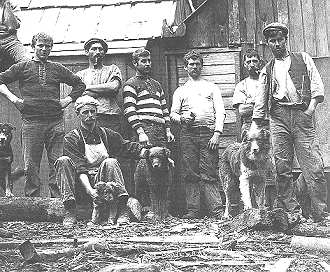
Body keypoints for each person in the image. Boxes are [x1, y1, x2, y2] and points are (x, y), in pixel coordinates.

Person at [252, 22, 328, 222]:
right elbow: (260, 100)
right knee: (282, 167)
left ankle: (320, 213)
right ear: (267, 43)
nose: (277, 44)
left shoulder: (303, 58)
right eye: (272, 41)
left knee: (314, 166)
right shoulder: (267, 70)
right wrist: (257, 124)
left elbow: (318, 86)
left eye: (279, 40)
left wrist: (310, 110)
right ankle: (292, 212)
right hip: (278, 117)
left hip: (301, 115)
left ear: (286, 39)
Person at [0, 32, 85, 197]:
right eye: (40, 45)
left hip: (55, 122)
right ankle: (33, 200)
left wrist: (67, 100)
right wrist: (14, 98)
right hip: (31, 123)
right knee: (31, 165)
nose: (44, 49)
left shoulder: (57, 68)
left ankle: (57, 200)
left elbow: (79, 84)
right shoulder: (22, 67)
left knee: (57, 162)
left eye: (48, 46)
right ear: (33, 47)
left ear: (51, 48)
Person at [55, 95, 148, 227]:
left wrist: (147, 153)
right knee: (63, 160)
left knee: (110, 161)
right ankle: (70, 210)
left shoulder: (105, 134)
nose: (90, 115)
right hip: (83, 186)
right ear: (78, 114)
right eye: (85, 112)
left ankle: (122, 209)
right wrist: (90, 191)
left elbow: (126, 147)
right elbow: (80, 167)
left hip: (105, 184)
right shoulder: (72, 138)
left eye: (93, 111)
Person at [170, 50, 226, 219]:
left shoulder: (211, 87)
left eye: (197, 64)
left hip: (208, 133)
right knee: (190, 172)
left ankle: (216, 210)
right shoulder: (181, 90)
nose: (194, 67)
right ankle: (193, 210)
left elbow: (221, 111)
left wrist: (217, 133)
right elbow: (172, 114)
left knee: (209, 171)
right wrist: (182, 118)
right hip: (188, 134)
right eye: (191, 64)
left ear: (202, 66)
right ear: (185, 67)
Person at [123, 48, 174, 147]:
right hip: (144, 128)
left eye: (149, 61)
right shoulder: (131, 84)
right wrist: (141, 133)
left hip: (160, 130)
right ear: (135, 63)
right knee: (145, 160)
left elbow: (164, 110)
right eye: (143, 61)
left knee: (163, 159)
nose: (147, 64)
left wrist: (168, 131)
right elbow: (130, 111)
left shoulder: (157, 85)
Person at [77, 38, 122, 133]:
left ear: (104, 53)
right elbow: (80, 95)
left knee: (113, 145)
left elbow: (113, 87)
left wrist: (87, 88)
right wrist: (105, 90)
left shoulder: (113, 69)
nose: (97, 52)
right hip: (88, 117)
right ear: (87, 52)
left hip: (110, 116)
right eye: (94, 49)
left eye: (100, 49)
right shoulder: (80, 75)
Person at [233, 48, 262, 136]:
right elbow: (243, 111)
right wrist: (263, 104)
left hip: (268, 124)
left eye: (254, 61)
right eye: (249, 62)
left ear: (259, 63)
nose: (252, 64)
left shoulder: (268, 82)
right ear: (245, 65)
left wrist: (250, 103)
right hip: (249, 125)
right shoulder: (241, 85)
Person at [0, 0, 29, 71]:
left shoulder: (12, 5)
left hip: (10, 40)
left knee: (27, 61)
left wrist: (7, 5)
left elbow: (12, 27)